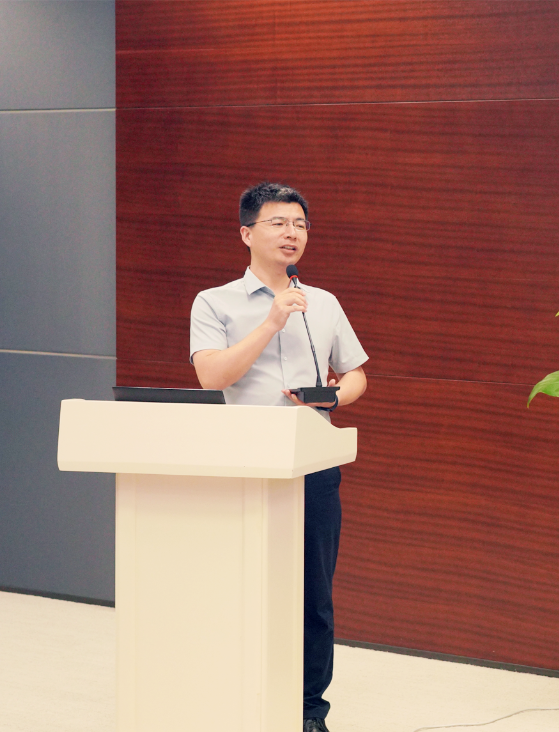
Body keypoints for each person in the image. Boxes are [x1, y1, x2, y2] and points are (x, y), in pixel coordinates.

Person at [190, 182, 368, 732]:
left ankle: (309, 710)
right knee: (239, 586)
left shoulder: (325, 303)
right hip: (242, 461)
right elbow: (211, 376)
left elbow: (356, 374)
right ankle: (238, 697)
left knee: (314, 594)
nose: (292, 233)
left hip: (312, 462)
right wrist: (271, 321)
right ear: (246, 233)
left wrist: (334, 396)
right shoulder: (214, 302)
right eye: (279, 223)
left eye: (300, 225)